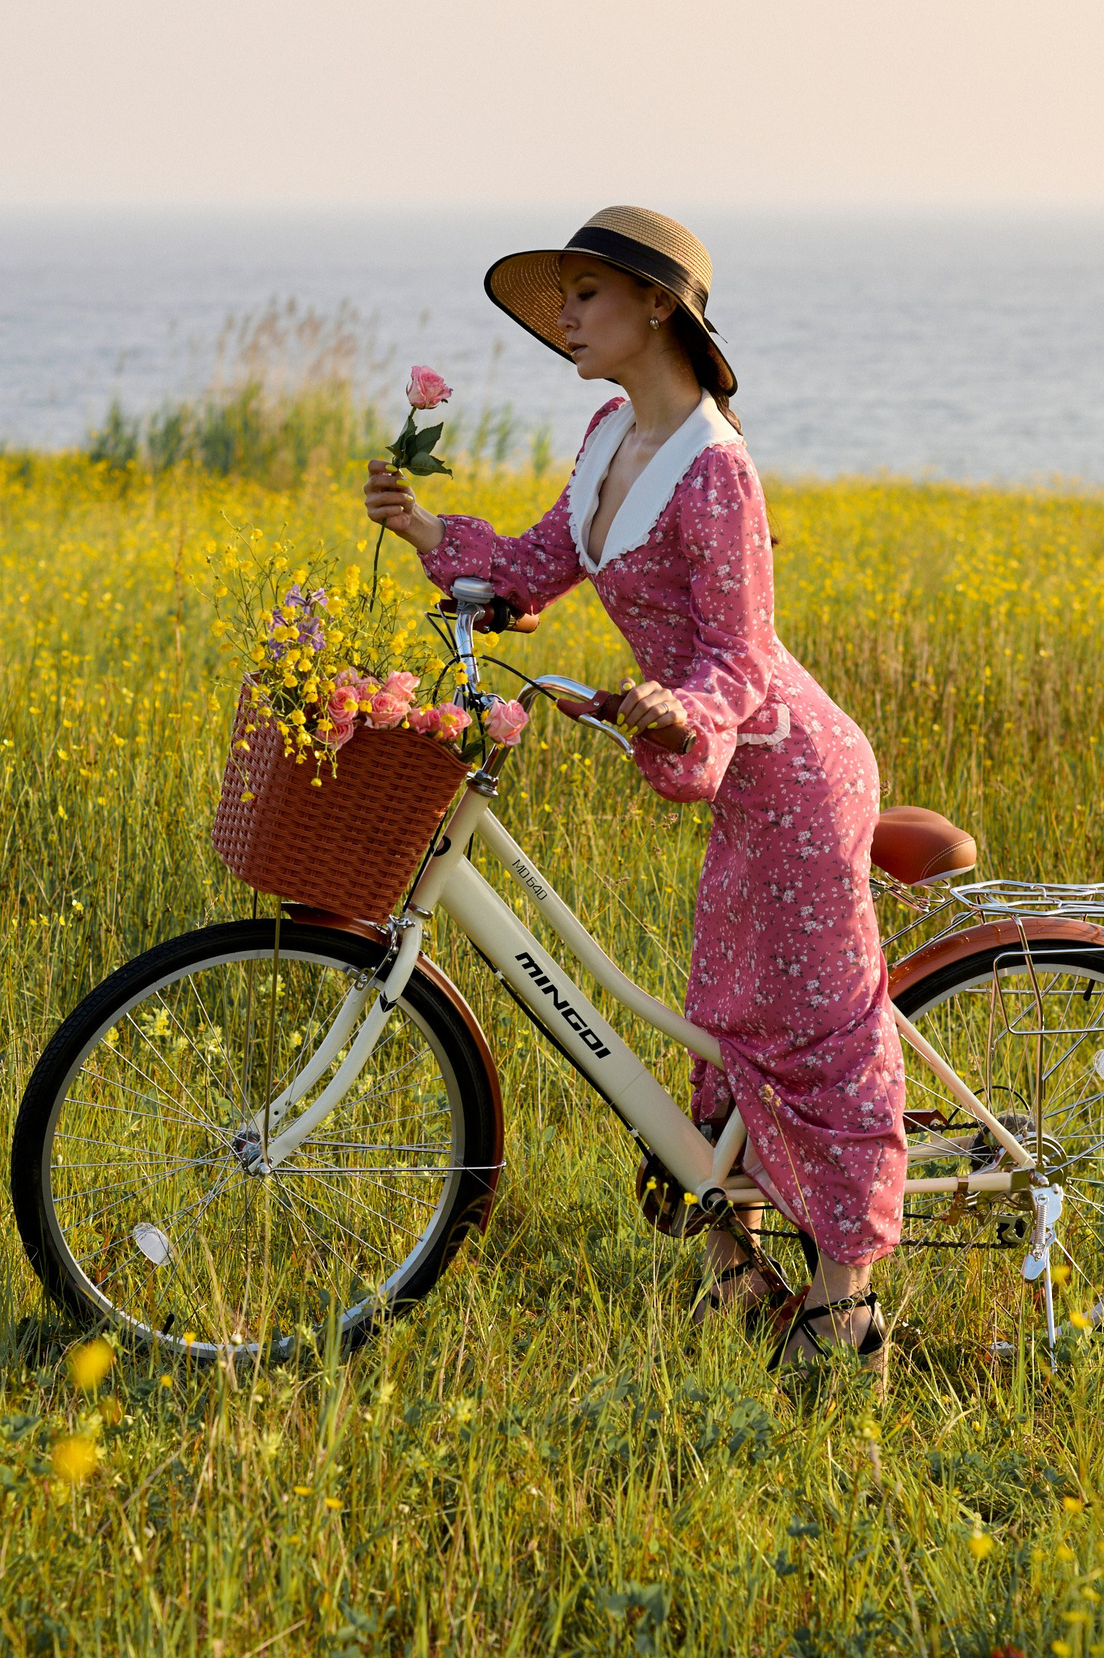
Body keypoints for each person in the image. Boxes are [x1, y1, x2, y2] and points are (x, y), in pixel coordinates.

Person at [362, 206, 904, 1378]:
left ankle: (846, 1295)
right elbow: (533, 566)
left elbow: (742, 656)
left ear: (659, 306)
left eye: (587, 297)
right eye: (559, 301)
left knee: (812, 1034)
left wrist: (681, 709)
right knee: (728, 1013)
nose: (565, 320)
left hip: (794, 770)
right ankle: (732, 1267)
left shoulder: (716, 469)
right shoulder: (613, 434)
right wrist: (425, 532)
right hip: (744, 781)